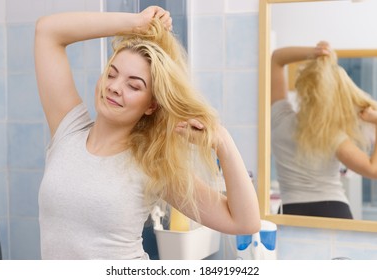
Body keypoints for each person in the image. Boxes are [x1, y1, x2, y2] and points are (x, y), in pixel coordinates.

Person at [34, 6, 260, 260]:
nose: (115, 88)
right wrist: (136, 23)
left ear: (151, 105)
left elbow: (244, 223)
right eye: (111, 74)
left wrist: (223, 143)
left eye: (134, 85)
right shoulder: (68, 130)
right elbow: (47, 32)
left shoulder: (151, 164)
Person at [271, 41, 377, 219]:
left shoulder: (280, 119)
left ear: (302, 89)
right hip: (333, 210)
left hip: (290, 211)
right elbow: (373, 171)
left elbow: (276, 59)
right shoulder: (332, 136)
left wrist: (315, 52)